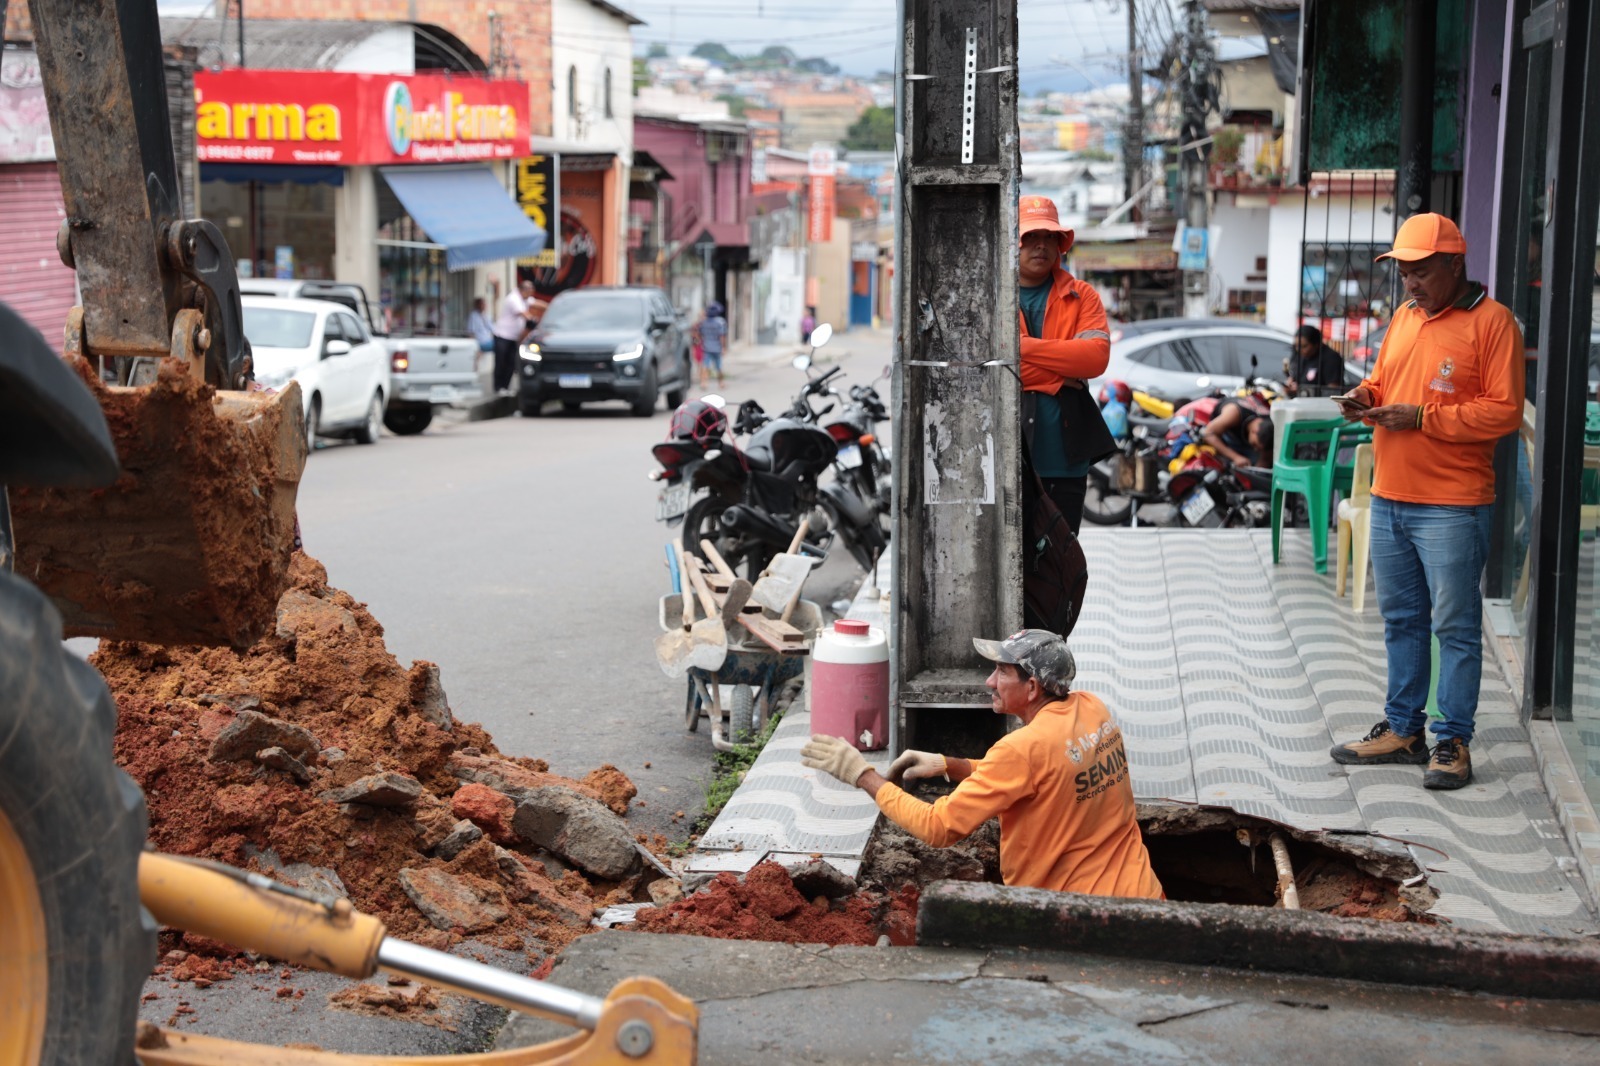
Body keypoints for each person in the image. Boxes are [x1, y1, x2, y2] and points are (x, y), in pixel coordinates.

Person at [1327, 213, 1524, 790]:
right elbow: (1386, 381)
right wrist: (1364, 395)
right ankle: (1403, 729)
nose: (1410, 283)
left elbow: (1505, 411)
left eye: (1421, 271)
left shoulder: (1493, 322)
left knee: (1455, 627)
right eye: (1404, 273)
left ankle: (1453, 741)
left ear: (1455, 265)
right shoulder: (1405, 317)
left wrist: (1421, 417)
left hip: (1452, 504)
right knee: (1402, 621)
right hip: (1390, 495)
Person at [800, 629, 1164, 899]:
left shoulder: (1022, 748)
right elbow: (1038, 776)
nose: (990, 682)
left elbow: (938, 827)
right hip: (1145, 896)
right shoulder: (1091, 707)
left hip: (1085, 919)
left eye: (1002, 672)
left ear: (1032, 688)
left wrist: (864, 776)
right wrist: (949, 765)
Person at [1016, 196, 1114, 535]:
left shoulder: (1082, 295)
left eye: (1050, 237)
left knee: (1061, 559)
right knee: (1010, 559)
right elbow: (990, 369)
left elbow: (1094, 358)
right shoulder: (991, 296)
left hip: (1065, 459)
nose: (1041, 245)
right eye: (1030, 236)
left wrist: (1021, 347)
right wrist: (1057, 380)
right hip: (1006, 455)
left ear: (1060, 244)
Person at [1200, 394, 1275, 468]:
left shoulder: (1269, 424)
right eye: (1255, 444)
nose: (1255, 449)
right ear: (1254, 431)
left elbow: (1265, 458)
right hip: (1224, 430)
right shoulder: (1234, 414)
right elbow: (1207, 434)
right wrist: (1236, 457)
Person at [492, 279, 536, 396]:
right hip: (503, 336)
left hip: (514, 337)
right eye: (529, 290)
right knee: (501, 362)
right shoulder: (514, 298)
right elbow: (524, 314)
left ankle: (505, 387)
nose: (530, 293)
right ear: (523, 290)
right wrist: (533, 320)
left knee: (511, 362)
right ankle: (498, 387)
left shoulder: (525, 299)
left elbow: (536, 303)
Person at [1283, 324, 1347, 397]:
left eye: (1304, 346)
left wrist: (1303, 390)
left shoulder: (1331, 358)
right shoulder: (1298, 354)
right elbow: (1294, 375)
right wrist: (1291, 383)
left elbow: (1333, 390)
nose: (1299, 349)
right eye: (1296, 346)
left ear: (1316, 344)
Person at [699, 301, 727, 388]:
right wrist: (723, 347)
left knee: (705, 365)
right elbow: (722, 336)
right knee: (719, 367)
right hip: (717, 348)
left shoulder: (704, 322)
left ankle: (704, 383)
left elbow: (700, 334)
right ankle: (721, 383)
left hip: (706, 347)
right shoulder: (720, 322)